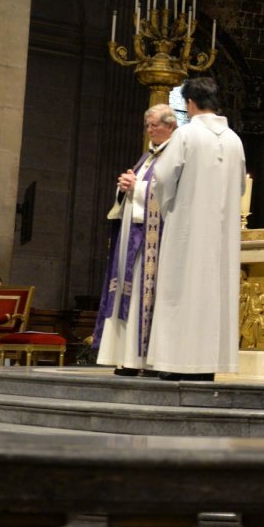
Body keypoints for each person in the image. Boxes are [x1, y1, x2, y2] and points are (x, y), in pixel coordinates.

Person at [145, 77, 247, 381]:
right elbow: (240, 186)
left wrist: (170, 209)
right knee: (212, 295)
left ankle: (175, 362)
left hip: (186, 231)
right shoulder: (234, 139)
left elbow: (162, 177)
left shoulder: (185, 135)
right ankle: (205, 366)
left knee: (180, 290)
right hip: (221, 236)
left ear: (189, 104)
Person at [92, 104, 178, 376]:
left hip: (151, 240)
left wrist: (137, 188)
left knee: (143, 294)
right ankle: (125, 358)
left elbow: (169, 196)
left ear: (171, 126)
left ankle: (142, 360)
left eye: (155, 125)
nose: (150, 130)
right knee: (125, 293)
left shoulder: (173, 156)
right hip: (131, 236)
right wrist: (125, 186)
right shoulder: (147, 157)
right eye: (148, 125)